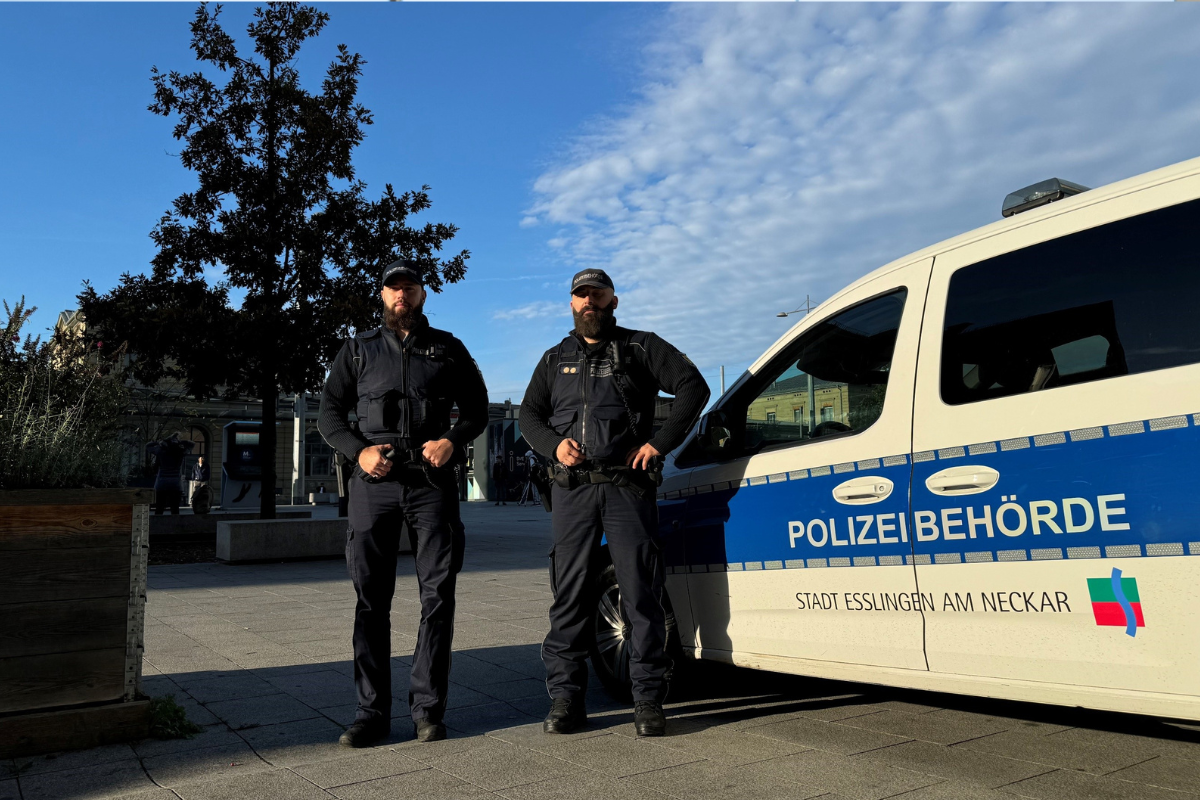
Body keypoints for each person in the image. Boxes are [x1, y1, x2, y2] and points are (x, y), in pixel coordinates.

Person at [521, 268, 709, 737]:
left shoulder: (640, 347)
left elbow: (693, 387)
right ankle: (566, 700)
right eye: (581, 296)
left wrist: (659, 443)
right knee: (570, 596)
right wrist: (553, 445)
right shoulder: (553, 359)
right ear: (571, 304)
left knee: (640, 595)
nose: (590, 303)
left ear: (613, 300)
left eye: (598, 295)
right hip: (573, 490)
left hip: (628, 488)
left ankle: (648, 699)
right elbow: (528, 415)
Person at [318, 258, 488, 747]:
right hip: (375, 484)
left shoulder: (449, 349)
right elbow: (330, 413)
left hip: (431, 484)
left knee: (437, 598)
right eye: (394, 289)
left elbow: (478, 409)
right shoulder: (358, 350)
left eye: (410, 288)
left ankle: (428, 709)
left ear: (423, 294)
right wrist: (359, 450)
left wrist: (453, 439)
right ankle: (370, 713)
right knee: (371, 601)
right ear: (382, 295)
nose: (402, 297)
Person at [147, 433, 194, 515]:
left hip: (161, 482)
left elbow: (148, 446)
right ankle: (175, 525)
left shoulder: (160, 451)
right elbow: (191, 444)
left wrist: (159, 442)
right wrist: (180, 442)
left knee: (159, 507)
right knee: (175, 508)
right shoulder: (180, 452)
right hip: (175, 483)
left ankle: (158, 525)